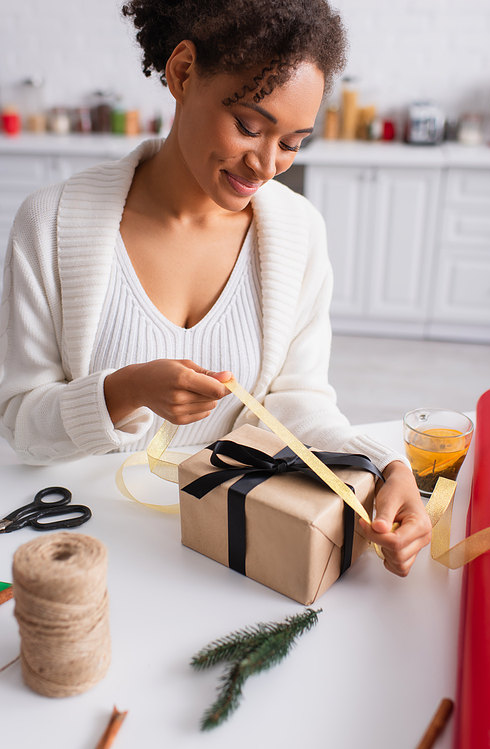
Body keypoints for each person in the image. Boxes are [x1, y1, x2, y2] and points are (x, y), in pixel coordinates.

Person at [0, 0, 431, 575]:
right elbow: (22, 430)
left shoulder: (297, 233)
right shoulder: (50, 225)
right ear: (182, 73)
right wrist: (125, 391)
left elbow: (294, 402)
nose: (266, 165)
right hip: (84, 549)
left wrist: (383, 468)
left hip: (230, 549)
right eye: (249, 127)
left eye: (293, 142)